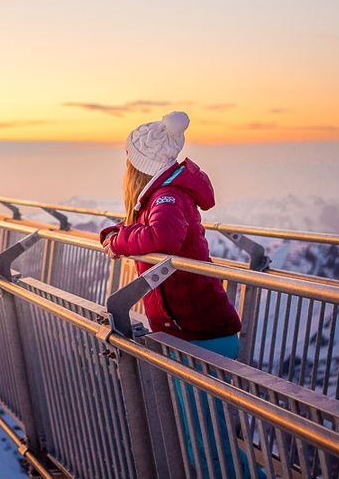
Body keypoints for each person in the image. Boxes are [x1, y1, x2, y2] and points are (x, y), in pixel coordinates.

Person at [99, 112, 254, 478]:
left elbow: (162, 238)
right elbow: (144, 229)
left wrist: (118, 242)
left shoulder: (167, 196)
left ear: (139, 165)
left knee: (210, 445)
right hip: (192, 332)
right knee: (201, 441)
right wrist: (114, 233)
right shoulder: (161, 195)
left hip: (201, 335)